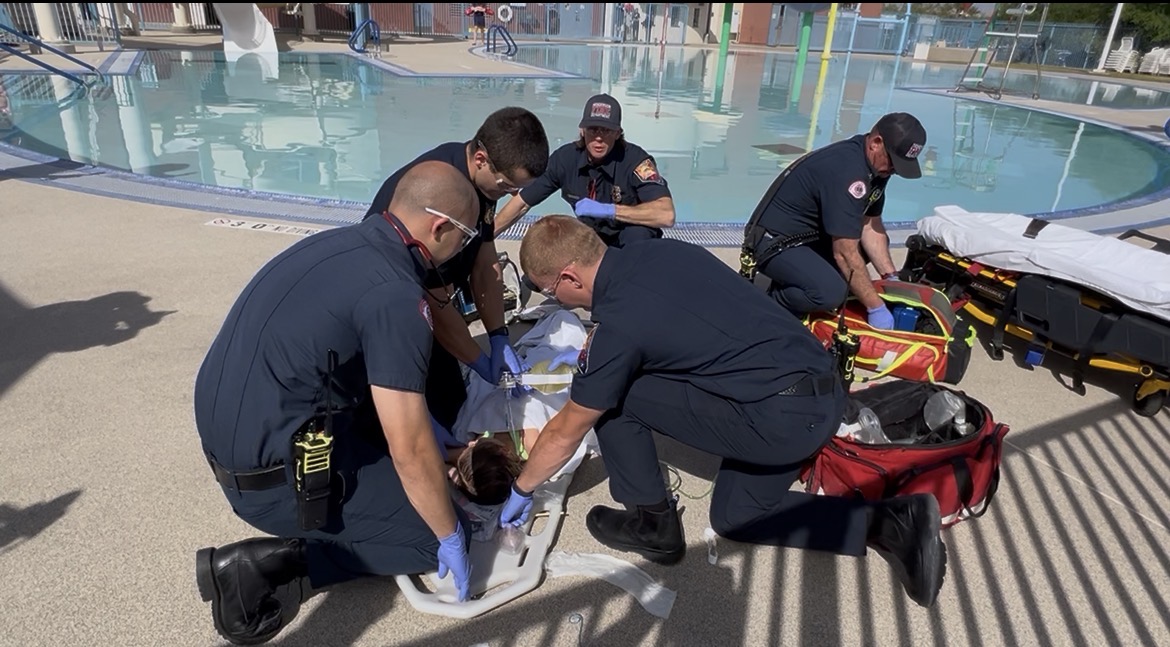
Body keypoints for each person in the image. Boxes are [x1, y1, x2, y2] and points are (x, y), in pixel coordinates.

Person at [498, 215, 949, 608]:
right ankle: (893, 521)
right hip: (820, 383)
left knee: (609, 399)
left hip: (784, 421)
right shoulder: (662, 252)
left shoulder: (618, 325)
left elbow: (566, 430)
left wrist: (522, 489)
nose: (553, 300)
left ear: (571, 277)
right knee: (735, 517)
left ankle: (652, 524)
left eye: (549, 291)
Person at [193, 161, 484, 646]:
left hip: (236, 434)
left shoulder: (339, 244)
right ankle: (266, 564)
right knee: (432, 534)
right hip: (271, 480)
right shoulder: (397, 294)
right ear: (440, 227)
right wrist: (451, 532)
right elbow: (410, 448)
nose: (463, 247)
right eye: (465, 236)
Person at [364, 106, 551, 431]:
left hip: (436, 292)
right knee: (427, 415)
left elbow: (484, 258)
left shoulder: (485, 183)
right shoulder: (443, 191)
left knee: (455, 399)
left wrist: (498, 336)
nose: (508, 195)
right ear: (481, 159)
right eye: (506, 187)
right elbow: (433, 302)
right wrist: (477, 360)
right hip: (394, 299)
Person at [740, 112, 928, 329]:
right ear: (876, 143)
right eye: (894, 162)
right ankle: (770, 303)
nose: (894, 171)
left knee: (863, 253)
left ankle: (802, 278)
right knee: (830, 293)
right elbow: (844, 253)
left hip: (809, 238)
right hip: (774, 241)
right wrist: (875, 307)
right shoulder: (848, 171)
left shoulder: (877, 168)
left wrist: (891, 277)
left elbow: (870, 225)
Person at [492, 93, 676, 248]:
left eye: (606, 131)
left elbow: (666, 215)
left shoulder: (635, 161)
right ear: (582, 130)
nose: (598, 138)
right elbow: (522, 203)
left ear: (618, 133)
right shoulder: (565, 159)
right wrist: (486, 237)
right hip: (593, 238)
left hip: (630, 240)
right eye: (592, 129)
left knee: (637, 236)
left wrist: (610, 210)